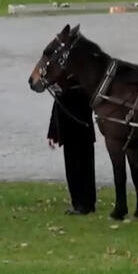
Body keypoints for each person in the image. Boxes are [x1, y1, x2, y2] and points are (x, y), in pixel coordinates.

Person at [47, 81, 96, 215]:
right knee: (72, 170)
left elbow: (84, 103)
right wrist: (52, 133)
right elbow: (57, 108)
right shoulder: (63, 88)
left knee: (84, 169)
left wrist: (63, 92)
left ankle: (86, 204)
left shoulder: (81, 84)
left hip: (82, 131)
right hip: (68, 134)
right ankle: (78, 203)